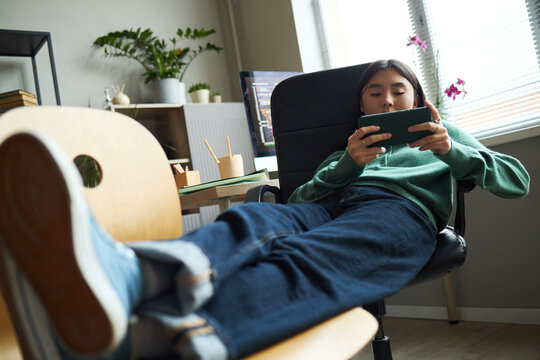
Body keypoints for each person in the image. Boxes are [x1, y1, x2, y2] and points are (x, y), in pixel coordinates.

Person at [0, 59, 530, 360]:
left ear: (416, 97)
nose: (387, 102)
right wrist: (347, 161)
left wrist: (451, 150)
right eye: (375, 93)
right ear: (362, 104)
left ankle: (157, 337)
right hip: (335, 203)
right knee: (255, 219)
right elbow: (302, 199)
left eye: (398, 91)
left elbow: (516, 181)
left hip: (401, 215)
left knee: (314, 254)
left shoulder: (442, 135)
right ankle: (132, 275)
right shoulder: (352, 143)